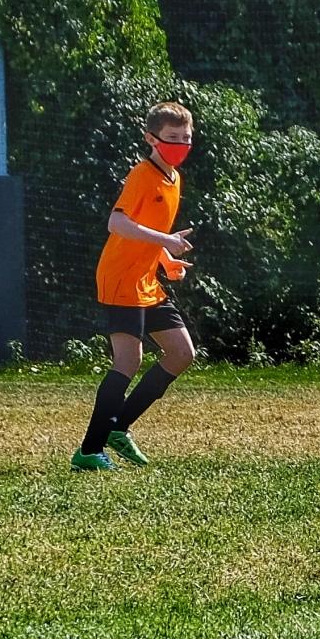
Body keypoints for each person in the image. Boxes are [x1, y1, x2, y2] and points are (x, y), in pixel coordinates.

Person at [73, 102, 201, 471]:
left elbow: (144, 233)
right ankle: (89, 450)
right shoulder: (142, 175)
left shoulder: (174, 179)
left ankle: (120, 426)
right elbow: (117, 223)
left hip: (146, 280)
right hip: (120, 278)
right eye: (173, 138)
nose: (180, 145)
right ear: (151, 139)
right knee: (129, 361)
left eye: (186, 139)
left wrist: (166, 258)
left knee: (181, 354)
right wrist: (166, 239)